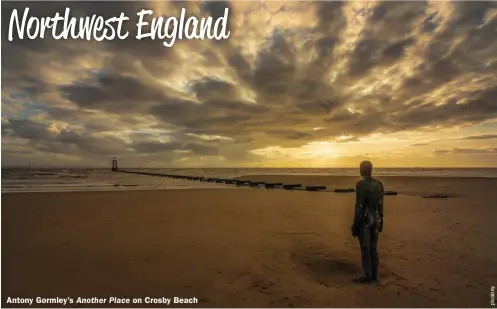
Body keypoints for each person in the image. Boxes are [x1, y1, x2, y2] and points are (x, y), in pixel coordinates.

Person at [351, 160, 384, 283]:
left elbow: (359, 206)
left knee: (365, 248)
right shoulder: (379, 184)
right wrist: (381, 220)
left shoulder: (361, 184)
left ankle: (367, 274)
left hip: (365, 220)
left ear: (361, 170)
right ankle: (374, 274)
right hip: (376, 219)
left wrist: (355, 225)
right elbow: (381, 204)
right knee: (373, 247)